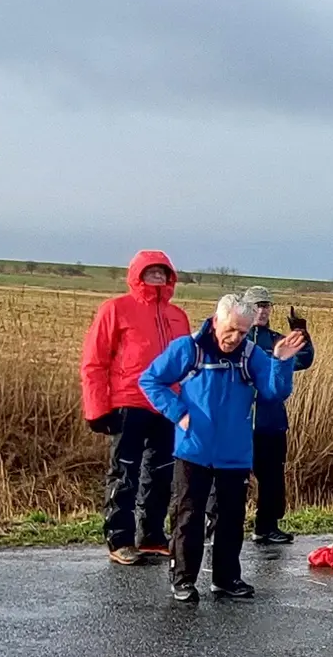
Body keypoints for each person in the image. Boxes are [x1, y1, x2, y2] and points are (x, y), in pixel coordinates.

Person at [139, 294, 305, 602]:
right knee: (188, 516)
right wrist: (178, 413)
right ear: (216, 321)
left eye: (242, 332)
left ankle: (226, 578)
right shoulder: (188, 349)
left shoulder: (251, 354)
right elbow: (151, 380)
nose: (235, 338)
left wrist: (281, 362)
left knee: (230, 517)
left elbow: (273, 393)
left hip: (235, 452)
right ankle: (184, 580)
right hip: (194, 449)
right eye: (230, 329)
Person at [81, 249, 194, 566]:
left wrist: (188, 406)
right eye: (151, 272)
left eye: (162, 272)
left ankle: (153, 536)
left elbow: (188, 364)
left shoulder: (177, 316)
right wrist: (97, 408)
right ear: (137, 275)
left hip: (167, 406)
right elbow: (94, 361)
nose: (157, 278)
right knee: (124, 473)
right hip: (128, 401)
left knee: (161, 474)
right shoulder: (116, 309)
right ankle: (119, 538)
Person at [241, 286, 313, 545]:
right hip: (240, 423)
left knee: (272, 478)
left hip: (271, 422)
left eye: (266, 306)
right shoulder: (237, 338)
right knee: (232, 479)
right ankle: (221, 526)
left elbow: (304, 359)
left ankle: (267, 526)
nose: (261, 311)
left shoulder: (276, 339)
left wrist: (299, 332)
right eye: (256, 306)